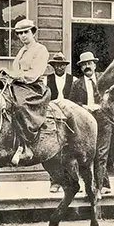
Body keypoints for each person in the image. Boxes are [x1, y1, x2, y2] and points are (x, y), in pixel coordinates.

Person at [0, 19, 50, 166]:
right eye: (19, 33)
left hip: (34, 88)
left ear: (33, 32)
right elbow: (16, 70)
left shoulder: (41, 50)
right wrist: (7, 75)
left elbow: (33, 74)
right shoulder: (21, 51)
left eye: (26, 32)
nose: (23, 36)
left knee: (19, 105)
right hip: (19, 85)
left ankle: (26, 147)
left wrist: (14, 75)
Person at [69, 51, 112, 195]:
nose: (87, 67)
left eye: (89, 63)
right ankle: (91, 185)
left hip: (103, 121)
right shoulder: (77, 84)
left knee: (101, 155)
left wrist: (103, 105)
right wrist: (84, 107)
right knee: (86, 155)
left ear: (94, 64)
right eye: (84, 65)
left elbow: (113, 97)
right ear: (81, 68)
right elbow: (72, 103)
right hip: (85, 123)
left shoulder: (104, 79)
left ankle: (98, 189)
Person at [46, 52, 77, 193]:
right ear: (53, 66)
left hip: (69, 116)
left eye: (62, 65)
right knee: (53, 150)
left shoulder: (74, 80)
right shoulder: (47, 80)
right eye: (57, 65)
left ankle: (74, 182)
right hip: (53, 116)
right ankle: (55, 182)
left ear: (65, 66)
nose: (60, 67)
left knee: (71, 149)